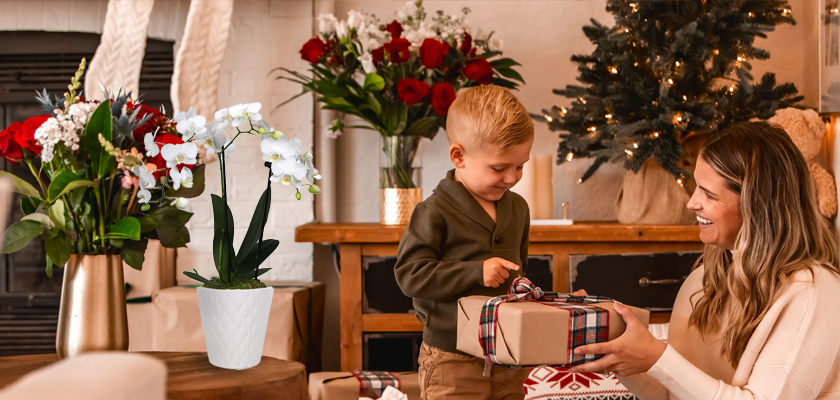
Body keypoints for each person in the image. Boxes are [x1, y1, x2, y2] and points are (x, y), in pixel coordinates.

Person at [569, 121, 840, 399]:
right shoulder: (703, 282)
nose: (692, 203)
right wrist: (623, 356)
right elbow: (671, 395)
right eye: (696, 187)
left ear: (757, 204)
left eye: (709, 194)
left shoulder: (812, 293)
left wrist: (658, 357)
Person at [394, 85, 534, 400]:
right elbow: (409, 275)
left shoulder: (519, 209)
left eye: (520, 166)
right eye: (499, 168)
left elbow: (518, 275)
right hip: (451, 361)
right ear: (459, 156)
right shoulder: (433, 212)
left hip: (508, 357)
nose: (512, 178)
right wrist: (475, 272)